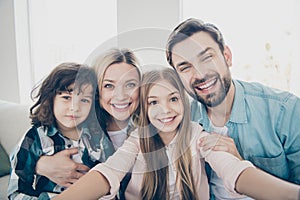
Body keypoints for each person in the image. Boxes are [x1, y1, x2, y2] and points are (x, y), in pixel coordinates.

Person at [53, 68, 300, 200]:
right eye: (153, 102)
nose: (166, 111)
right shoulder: (138, 140)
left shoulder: (197, 135)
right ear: (144, 108)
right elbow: (110, 171)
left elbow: (233, 171)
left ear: (184, 101)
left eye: (173, 99)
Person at [165, 18, 300, 199]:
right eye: (185, 67)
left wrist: (243, 164)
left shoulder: (286, 111)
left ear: (226, 56)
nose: (199, 74)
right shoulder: (179, 120)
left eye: (206, 58)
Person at [34, 48, 142, 198]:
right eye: (109, 85)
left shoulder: (149, 128)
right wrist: (37, 164)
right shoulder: (81, 127)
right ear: (96, 92)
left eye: (130, 85)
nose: (121, 96)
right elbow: (27, 147)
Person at [7, 62, 113, 199]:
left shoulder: (98, 137)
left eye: (84, 100)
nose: (75, 107)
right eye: (66, 98)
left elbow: (111, 180)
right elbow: (15, 193)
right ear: (50, 99)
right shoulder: (34, 138)